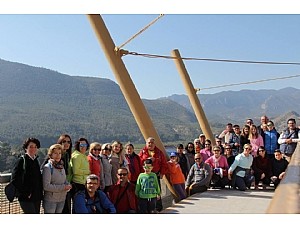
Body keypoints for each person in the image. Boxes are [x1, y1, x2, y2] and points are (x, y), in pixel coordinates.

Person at [11, 137, 43, 213]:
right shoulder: (21, 161)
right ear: (26, 148)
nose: (33, 149)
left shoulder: (36, 161)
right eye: (31, 147)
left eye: (35, 147)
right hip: (25, 198)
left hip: (37, 197)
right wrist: (25, 193)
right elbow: (14, 180)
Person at [138, 137, 168, 212]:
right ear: (146, 143)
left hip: (155, 175)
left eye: (152, 143)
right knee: (146, 191)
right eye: (149, 143)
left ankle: (158, 208)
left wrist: (162, 173)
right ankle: (147, 209)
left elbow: (164, 163)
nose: (150, 144)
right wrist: (147, 160)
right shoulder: (143, 152)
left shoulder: (159, 152)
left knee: (157, 191)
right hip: (145, 176)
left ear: (154, 144)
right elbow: (139, 162)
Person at [42, 144, 72, 213]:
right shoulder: (47, 168)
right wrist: (63, 187)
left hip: (61, 199)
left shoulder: (61, 166)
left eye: (59, 153)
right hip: (51, 200)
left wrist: (68, 184)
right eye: (55, 153)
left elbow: (64, 180)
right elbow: (46, 186)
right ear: (51, 155)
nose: (58, 155)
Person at [69, 137, 90, 202]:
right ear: (78, 146)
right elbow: (75, 171)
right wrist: (87, 172)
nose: (83, 147)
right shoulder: (77, 156)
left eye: (85, 145)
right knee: (78, 204)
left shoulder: (82, 155)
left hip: (83, 182)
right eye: (81, 145)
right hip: (78, 183)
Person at [57, 134, 73, 214]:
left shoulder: (67, 155)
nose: (66, 143)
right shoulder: (55, 156)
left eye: (68, 142)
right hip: (58, 189)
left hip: (67, 188)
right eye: (64, 141)